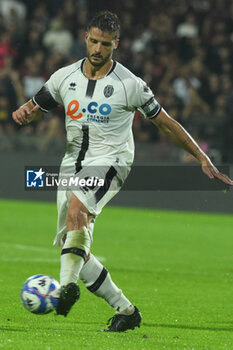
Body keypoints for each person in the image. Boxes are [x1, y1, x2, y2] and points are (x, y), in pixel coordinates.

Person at [12, 11, 233, 332]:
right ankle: (125, 311)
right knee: (72, 246)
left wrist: (200, 156)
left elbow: (165, 123)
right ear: (86, 37)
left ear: (116, 44)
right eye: (94, 41)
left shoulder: (130, 85)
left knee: (78, 214)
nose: (98, 49)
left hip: (112, 162)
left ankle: (64, 290)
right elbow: (37, 105)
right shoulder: (63, 77)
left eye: (106, 44)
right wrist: (25, 113)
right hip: (71, 164)